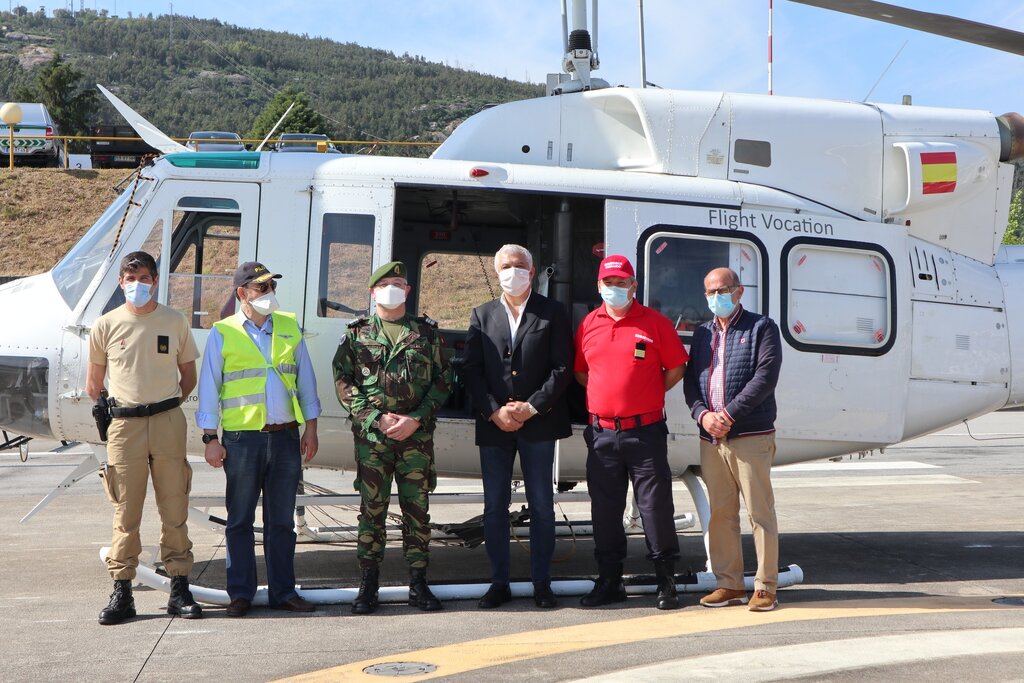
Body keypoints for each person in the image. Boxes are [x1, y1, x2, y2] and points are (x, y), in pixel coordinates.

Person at [197, 262, 321, 618]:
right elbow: (210, 388)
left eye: (270, 287)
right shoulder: (223, 332)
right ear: (242, 294)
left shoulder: (288, 327)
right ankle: (240, 594)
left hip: (284, 438)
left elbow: (306, 381)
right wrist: (210, 437)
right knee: (239, 520)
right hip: (241, 439)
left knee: (281, 520)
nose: (269, 295)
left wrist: (310, 428)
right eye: (261, 288)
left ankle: (284, 591)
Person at [86, 250, 202, 625]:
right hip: (124, 427)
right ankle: (122, 590)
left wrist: (164, 406)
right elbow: (94, 384)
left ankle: (179, 586)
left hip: (167, 420)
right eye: (130, 279)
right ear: (121, 283)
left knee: (174, 506)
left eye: (144, 278)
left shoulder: (174, 320)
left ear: (156, 281)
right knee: (126, 511)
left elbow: (188, 377)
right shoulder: (105, 325)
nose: (137, 285)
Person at [332, 261, 452, 615]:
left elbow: (444, 381)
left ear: (408, 290)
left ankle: (419, 584)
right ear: (372, 291)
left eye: (399, 282)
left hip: (416, 440)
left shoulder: (426, 334)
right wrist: (376, 418)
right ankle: (368, 586)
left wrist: (416, 419)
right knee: (372, 511)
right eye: (386, 284)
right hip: (373, 440)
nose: (392, 289)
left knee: (418, 511)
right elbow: (343, 382)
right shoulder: (357, 334)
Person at [573, 255, 688, 610]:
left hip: (646, 433)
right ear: (598, 286)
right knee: (604, 511)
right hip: (603, 435)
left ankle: (666, 582)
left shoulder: (655, 323)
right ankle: (610, 581)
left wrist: (644, 395)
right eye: (609, 283)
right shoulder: (589, 324)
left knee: (655, 508)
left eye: (622, 283)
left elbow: (676, 367)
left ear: (634, 286)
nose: (615, 289)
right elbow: (581, 373)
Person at [462, 245, 573, 610]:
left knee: (542, 505)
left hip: (537, 424)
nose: (513, 271)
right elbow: (473, 370)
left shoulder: (552, 312)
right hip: (495, 426)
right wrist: (494, 411)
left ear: (532, 270)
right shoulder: (482, 314)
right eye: (506, 267)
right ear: (498, 272)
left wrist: (531, 407)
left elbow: (562, 368)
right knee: (495, 507)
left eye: (519, 266)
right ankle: (499, 582)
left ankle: (542, 582)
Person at [683, 267, 783, 612]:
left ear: (738, 292)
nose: (715, 298)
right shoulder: (702, 333)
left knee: (759, 512)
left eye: (722, 290)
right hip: (711, 438)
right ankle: (729, 585)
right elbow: (691, 382)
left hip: (749, 435)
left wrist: (728, 415)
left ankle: (766, 586)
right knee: (721, 514)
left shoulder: (761, 327)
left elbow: (765, 376)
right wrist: (703, 415)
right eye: (709, 292)